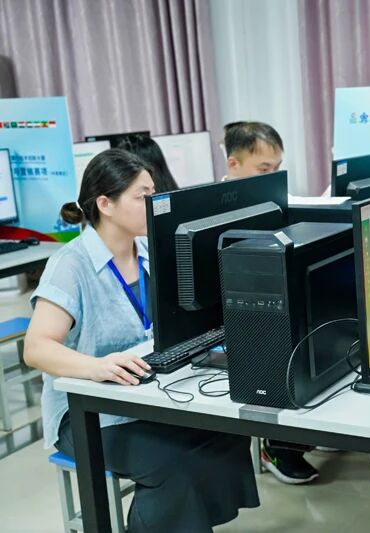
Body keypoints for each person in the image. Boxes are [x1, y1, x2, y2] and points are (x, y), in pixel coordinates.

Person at [23, 149, 259, 532]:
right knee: (172, 463)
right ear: (105, 204)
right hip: (88, 415)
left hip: (143, 396)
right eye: (142, 196)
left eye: (154, 193)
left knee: (227, 433)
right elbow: (36, 348)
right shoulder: (71, 265)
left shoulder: (148, 250)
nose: (154, 204)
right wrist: (96, 367)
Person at [222, 120, 320, 484]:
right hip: (240, 307)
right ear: (234, 165)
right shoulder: (209, 209)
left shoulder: (276, 203)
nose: (273, 178)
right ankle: (278, 445)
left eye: (277, 169)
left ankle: (307, 431)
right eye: (264, 169)